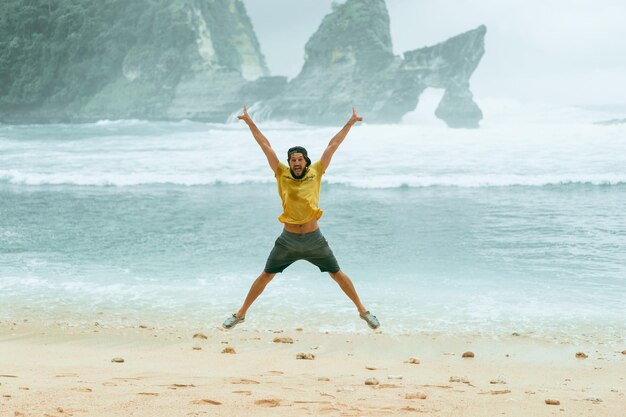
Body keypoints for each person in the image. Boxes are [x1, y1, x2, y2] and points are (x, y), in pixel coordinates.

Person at [222, 105, 380, 330]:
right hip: (288, 240)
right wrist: (249, 122)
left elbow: (333, 145)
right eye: (292, 160)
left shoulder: (317, 171)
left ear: (306, 161)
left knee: (337, 274)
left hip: (314, 239)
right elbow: (264, 144)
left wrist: (351, 122)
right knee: (266, 275)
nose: (296, 163)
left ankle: (363, 312)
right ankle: (240, 314)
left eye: (300, 159)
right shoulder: (281, 173)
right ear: (289, 163)